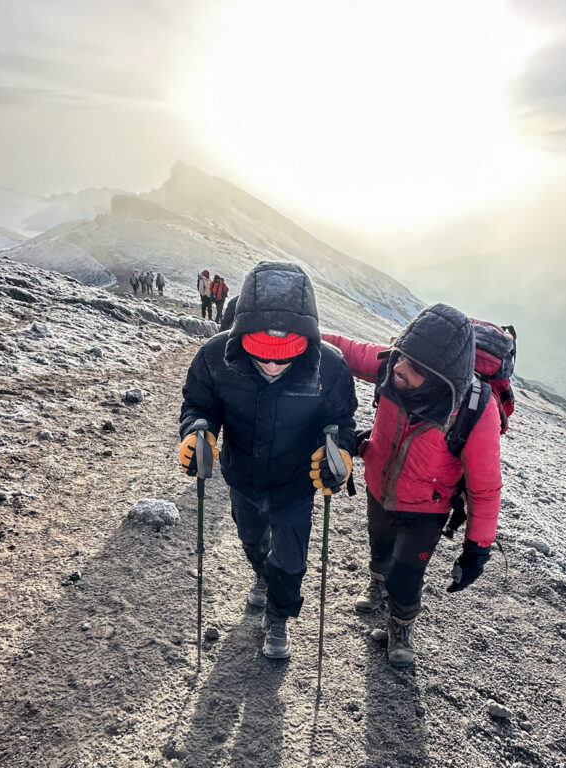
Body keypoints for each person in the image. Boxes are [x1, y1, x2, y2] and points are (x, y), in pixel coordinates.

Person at [179, 261, 357, 659]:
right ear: (241, 335)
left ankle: (278, 615)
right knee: (252, 540)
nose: (273, 364)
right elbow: (198, 404)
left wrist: (341, 449)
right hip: (242, 476)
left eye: (285, 355)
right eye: (263, 353)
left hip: (296, 484)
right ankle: (263, 574)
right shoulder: (215, 357)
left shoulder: (330, 366)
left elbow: (340, 420)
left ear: (306, 339)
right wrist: (196, 432)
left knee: (292, 560)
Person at [322, 303, 502, 667]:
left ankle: (400, 624)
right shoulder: (394, 365)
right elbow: (345, 348)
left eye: (414, 367)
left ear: (442, 378)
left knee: (407, 573)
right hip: (379, 486)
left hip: (427, 508)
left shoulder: (476, 410)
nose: (400, 369)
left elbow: (485, 486)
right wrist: (294, 332)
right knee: (379, 545)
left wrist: (477, 550)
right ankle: (375, 581)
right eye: (402, 357)